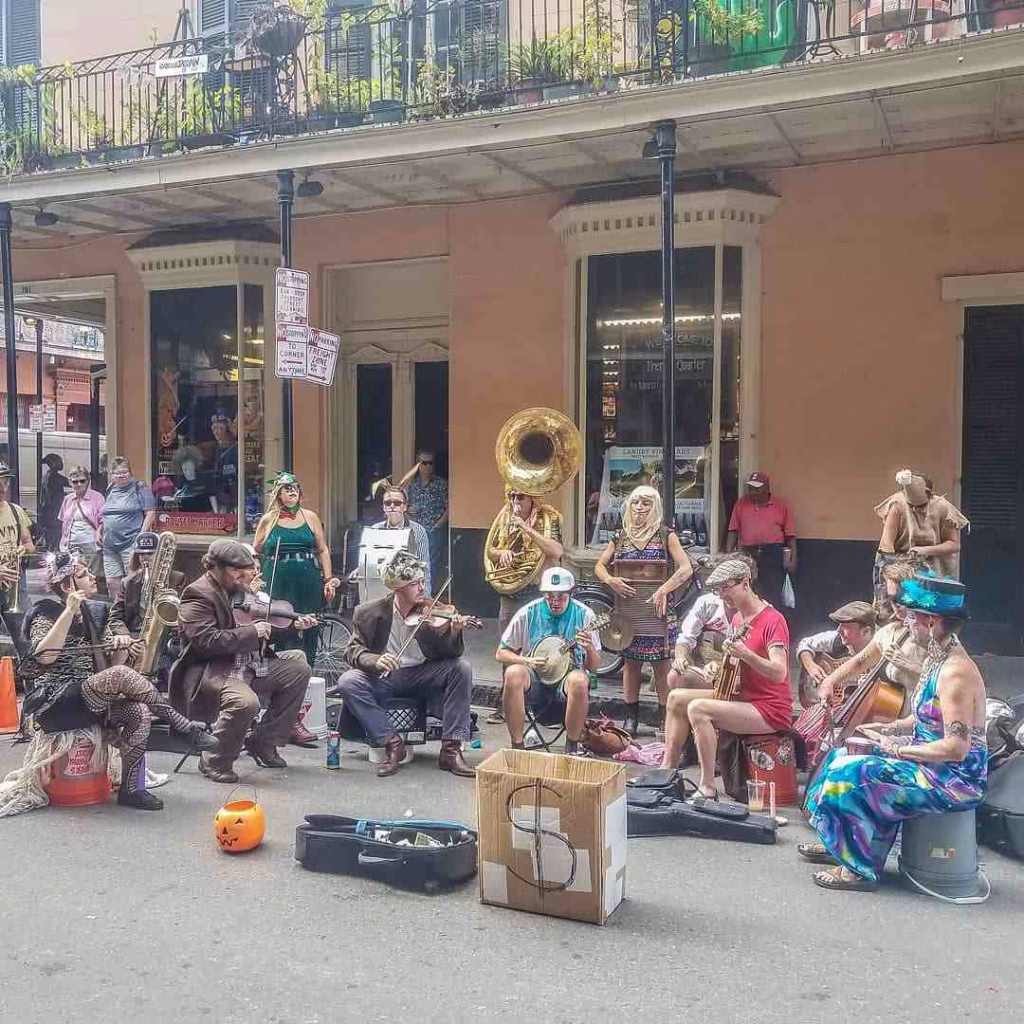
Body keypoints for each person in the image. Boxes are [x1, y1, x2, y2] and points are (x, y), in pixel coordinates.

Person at [801, 575, 987, 892]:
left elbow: (956, 748)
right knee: (842, 754)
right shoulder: (939, 655)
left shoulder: (955, 672)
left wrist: (897, 750)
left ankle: (858, 868)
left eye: (912, 616)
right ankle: (842, 842)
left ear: (931, 621)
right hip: (931, 763)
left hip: (952, 779)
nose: (905, 620)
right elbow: (928, 718)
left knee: (851, 773)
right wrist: (892, 728)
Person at [20, 551, 213, 810]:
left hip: (89, 698)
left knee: (139, 712)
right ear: (67, 586)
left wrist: (123, 647)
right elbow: (44, 657)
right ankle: (185, 727)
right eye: (83, 575)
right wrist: (68, 611)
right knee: (121, 677)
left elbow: (112, 671)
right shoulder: (45, 613)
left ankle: (132, 789)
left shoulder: (96, 612)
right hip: (56, 701)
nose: (92, 577)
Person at [168, 540, 313, 784]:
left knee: (298, 670)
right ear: (213, 567)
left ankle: (263, 742)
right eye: (236, 570)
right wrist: (252, 633)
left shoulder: (240, 590)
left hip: (249, 665)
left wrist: (290, 627)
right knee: (245, 702)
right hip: (213, 671)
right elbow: (206, 642)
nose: (244, 575)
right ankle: (213, 759)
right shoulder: (197, 594)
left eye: (246, 569)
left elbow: (261, 627)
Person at [659, 558, 792, 799]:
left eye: (725, 588)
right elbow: (737, 670)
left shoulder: (774, 620)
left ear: (745, 583)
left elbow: (779, 672)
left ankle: (708, 785)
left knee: (699, 709)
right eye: (717, 590)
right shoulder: (738, 619)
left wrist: (746, 654)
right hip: (744, 696)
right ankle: (666, 770)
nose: (722, 596)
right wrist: (717, 669)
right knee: (677, 698)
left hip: (769, 707)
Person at [337, 549, 475, 779]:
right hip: (387, 677)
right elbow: (352, 651)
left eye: (422, 582)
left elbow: (452, 653)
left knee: (462, 667)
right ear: (397, 588)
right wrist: (376, 660)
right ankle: (392, 743)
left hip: (424, 674)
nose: (422, 589)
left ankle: (451, 750)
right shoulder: (369, 612)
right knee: (348, 681)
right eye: (414, 584)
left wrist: (455, 631)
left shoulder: (433, 610)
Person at [594, 485, 693, 736]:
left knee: (661, 666)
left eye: (646, 503)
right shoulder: (620, 537)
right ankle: (631, 718)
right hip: (628, 612)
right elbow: (599, 567)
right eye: (636, 502)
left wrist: (662, 590)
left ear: (655, 507)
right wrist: (610, 581)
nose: (640, 507)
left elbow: (685, 568)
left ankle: (665, 717)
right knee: (631, 664)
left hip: (657, 613)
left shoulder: (665, 534)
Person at [496, 568, 601, 754]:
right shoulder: (528, 612)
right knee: (512, 674)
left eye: (561, 596)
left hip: (566, 684)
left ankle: (572, 747)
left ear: (571, 593)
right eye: (549, 596)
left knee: (579, 680)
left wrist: (589, 648)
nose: (555, 602)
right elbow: (501, 653)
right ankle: (517, 747)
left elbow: (593, 667)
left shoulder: (585, 615)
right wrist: (526, 661)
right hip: (535, 681)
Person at [253, 472, 339, 669]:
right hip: (277, 576)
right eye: (287, 489)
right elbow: (256, 549)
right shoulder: (269, 519)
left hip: (307, 576)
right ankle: (280, 669)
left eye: (295, 488)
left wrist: (329, 579)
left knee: (309, 622)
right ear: (278, 494)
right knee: (279, 621)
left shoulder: (310, 517)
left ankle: (308, 668)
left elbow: (323, 549)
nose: (292, 492)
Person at [873, 469, 968, 607]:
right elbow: (886, 543)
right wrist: (891, 577)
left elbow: (954, 544)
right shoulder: (897, 504)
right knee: (893, 607)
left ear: (930, 495)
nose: (916, 510)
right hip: (899, 565)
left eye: (921, 506)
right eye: (912, 506)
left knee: (928, 610)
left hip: (933, 570)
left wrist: (925, 550)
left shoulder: (943, 508)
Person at [106, 532, 186, 685]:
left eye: (150, 553)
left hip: (166, 638)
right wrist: (127, 639)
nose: (145, 558)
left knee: (170, 677)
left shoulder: (177, 578)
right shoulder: (128, 582)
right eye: (141, 554)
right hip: (135, 637)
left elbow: (184, 615)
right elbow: (115, 617)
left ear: (160, 555)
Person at [485, 487, 564, 633]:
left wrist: (525, 527)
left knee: (536, 636)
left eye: (520, 497)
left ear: (532, 498)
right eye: (512, 496)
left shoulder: (550, 517)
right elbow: (490, 550)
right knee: (508, 638)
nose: (515, 501)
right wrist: (502, 553)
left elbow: (557, 551)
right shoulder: (504, 517)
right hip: (510, 592)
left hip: (537, 590)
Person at [724, 471, 797, 612]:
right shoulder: (741, 505)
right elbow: (733, 530)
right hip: (748, 553)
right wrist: (728, 557)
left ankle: (771, 623)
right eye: (750, 488)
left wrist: (793, 559)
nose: (752, 492)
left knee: (773, 592)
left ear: (766, 489)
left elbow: (790, 536)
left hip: (772, 553)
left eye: (756, 489)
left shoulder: (780, 506)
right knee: (749, 590)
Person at [795, 601, 876, 708]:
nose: (838, 630)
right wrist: (810, 666)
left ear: (865, 631)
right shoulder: (837, 639)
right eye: (839, 624)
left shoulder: (883, 647)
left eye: (845, 626)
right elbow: (805, 643)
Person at [101, 456, 156, 602]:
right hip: (109, 546)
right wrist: (97, 531)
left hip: (130, 543)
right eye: (117, 473)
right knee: (112, 584)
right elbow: (104, 514)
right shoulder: (110, 489)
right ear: (112, 474)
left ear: (130, 472)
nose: (121, 475)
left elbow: (150, 513)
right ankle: (118, 617)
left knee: (133, 582)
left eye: (124, 472)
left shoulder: (140, 487)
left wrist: (141, 537)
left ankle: (135, 619)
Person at [370, 486, 433, 597]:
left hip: (409, 593)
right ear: (383, 507)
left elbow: (424, 569)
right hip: (380, 592)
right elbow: (369, 564)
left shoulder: (418, 531)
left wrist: (424, 598)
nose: (392, 506)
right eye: (388, 503)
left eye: (397, 503)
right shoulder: (375, 530)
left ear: (405, 507)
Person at [669, 589, 730, 689]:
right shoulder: (708, 602)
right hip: (702, 660)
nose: (722, 594)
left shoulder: (758, 609)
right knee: (675, 676)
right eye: (719, 588)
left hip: (733, 668)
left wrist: (720, 665)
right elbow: (686, 637)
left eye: (726, 587)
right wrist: (680, 657)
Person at [407, 452, 448, 585]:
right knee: (415, 561)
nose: (428, 466)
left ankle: (428, 592)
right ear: (418, 465)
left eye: (431, 463)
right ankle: (417, 591)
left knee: (431, 564)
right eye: (425, 463)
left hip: (434, 530)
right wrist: (409, 510)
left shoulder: (441, 484)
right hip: (416, 531)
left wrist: (439, 524)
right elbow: (405, 507)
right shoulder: (413, 486)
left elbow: (450, 507)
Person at [0, 462, 35, 613]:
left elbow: (30, 544)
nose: (2, 489)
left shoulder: (16, 511)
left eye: (5, 483)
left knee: (23, 626)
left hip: (15, 578)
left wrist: (23, 549)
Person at [58, 466, 104, 576]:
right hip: (71, 546)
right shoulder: (68, 499)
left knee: (91, 579)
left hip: (90, 545)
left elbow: (104, 520)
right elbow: (63, 522)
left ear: (88, 481)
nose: (79, 484)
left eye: (82, 481)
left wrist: (99, 533)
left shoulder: (97, 497)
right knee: (73, 578)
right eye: (75, 482)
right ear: (70, 482)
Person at [38, 454, 70, 552]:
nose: (62, 463)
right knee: (56, 539)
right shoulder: (55, 477)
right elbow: (69, 482)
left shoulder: (47, 476)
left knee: (51, 540)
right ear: (53, 463)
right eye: (59, 461)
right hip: (54, 512)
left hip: (49, 512)